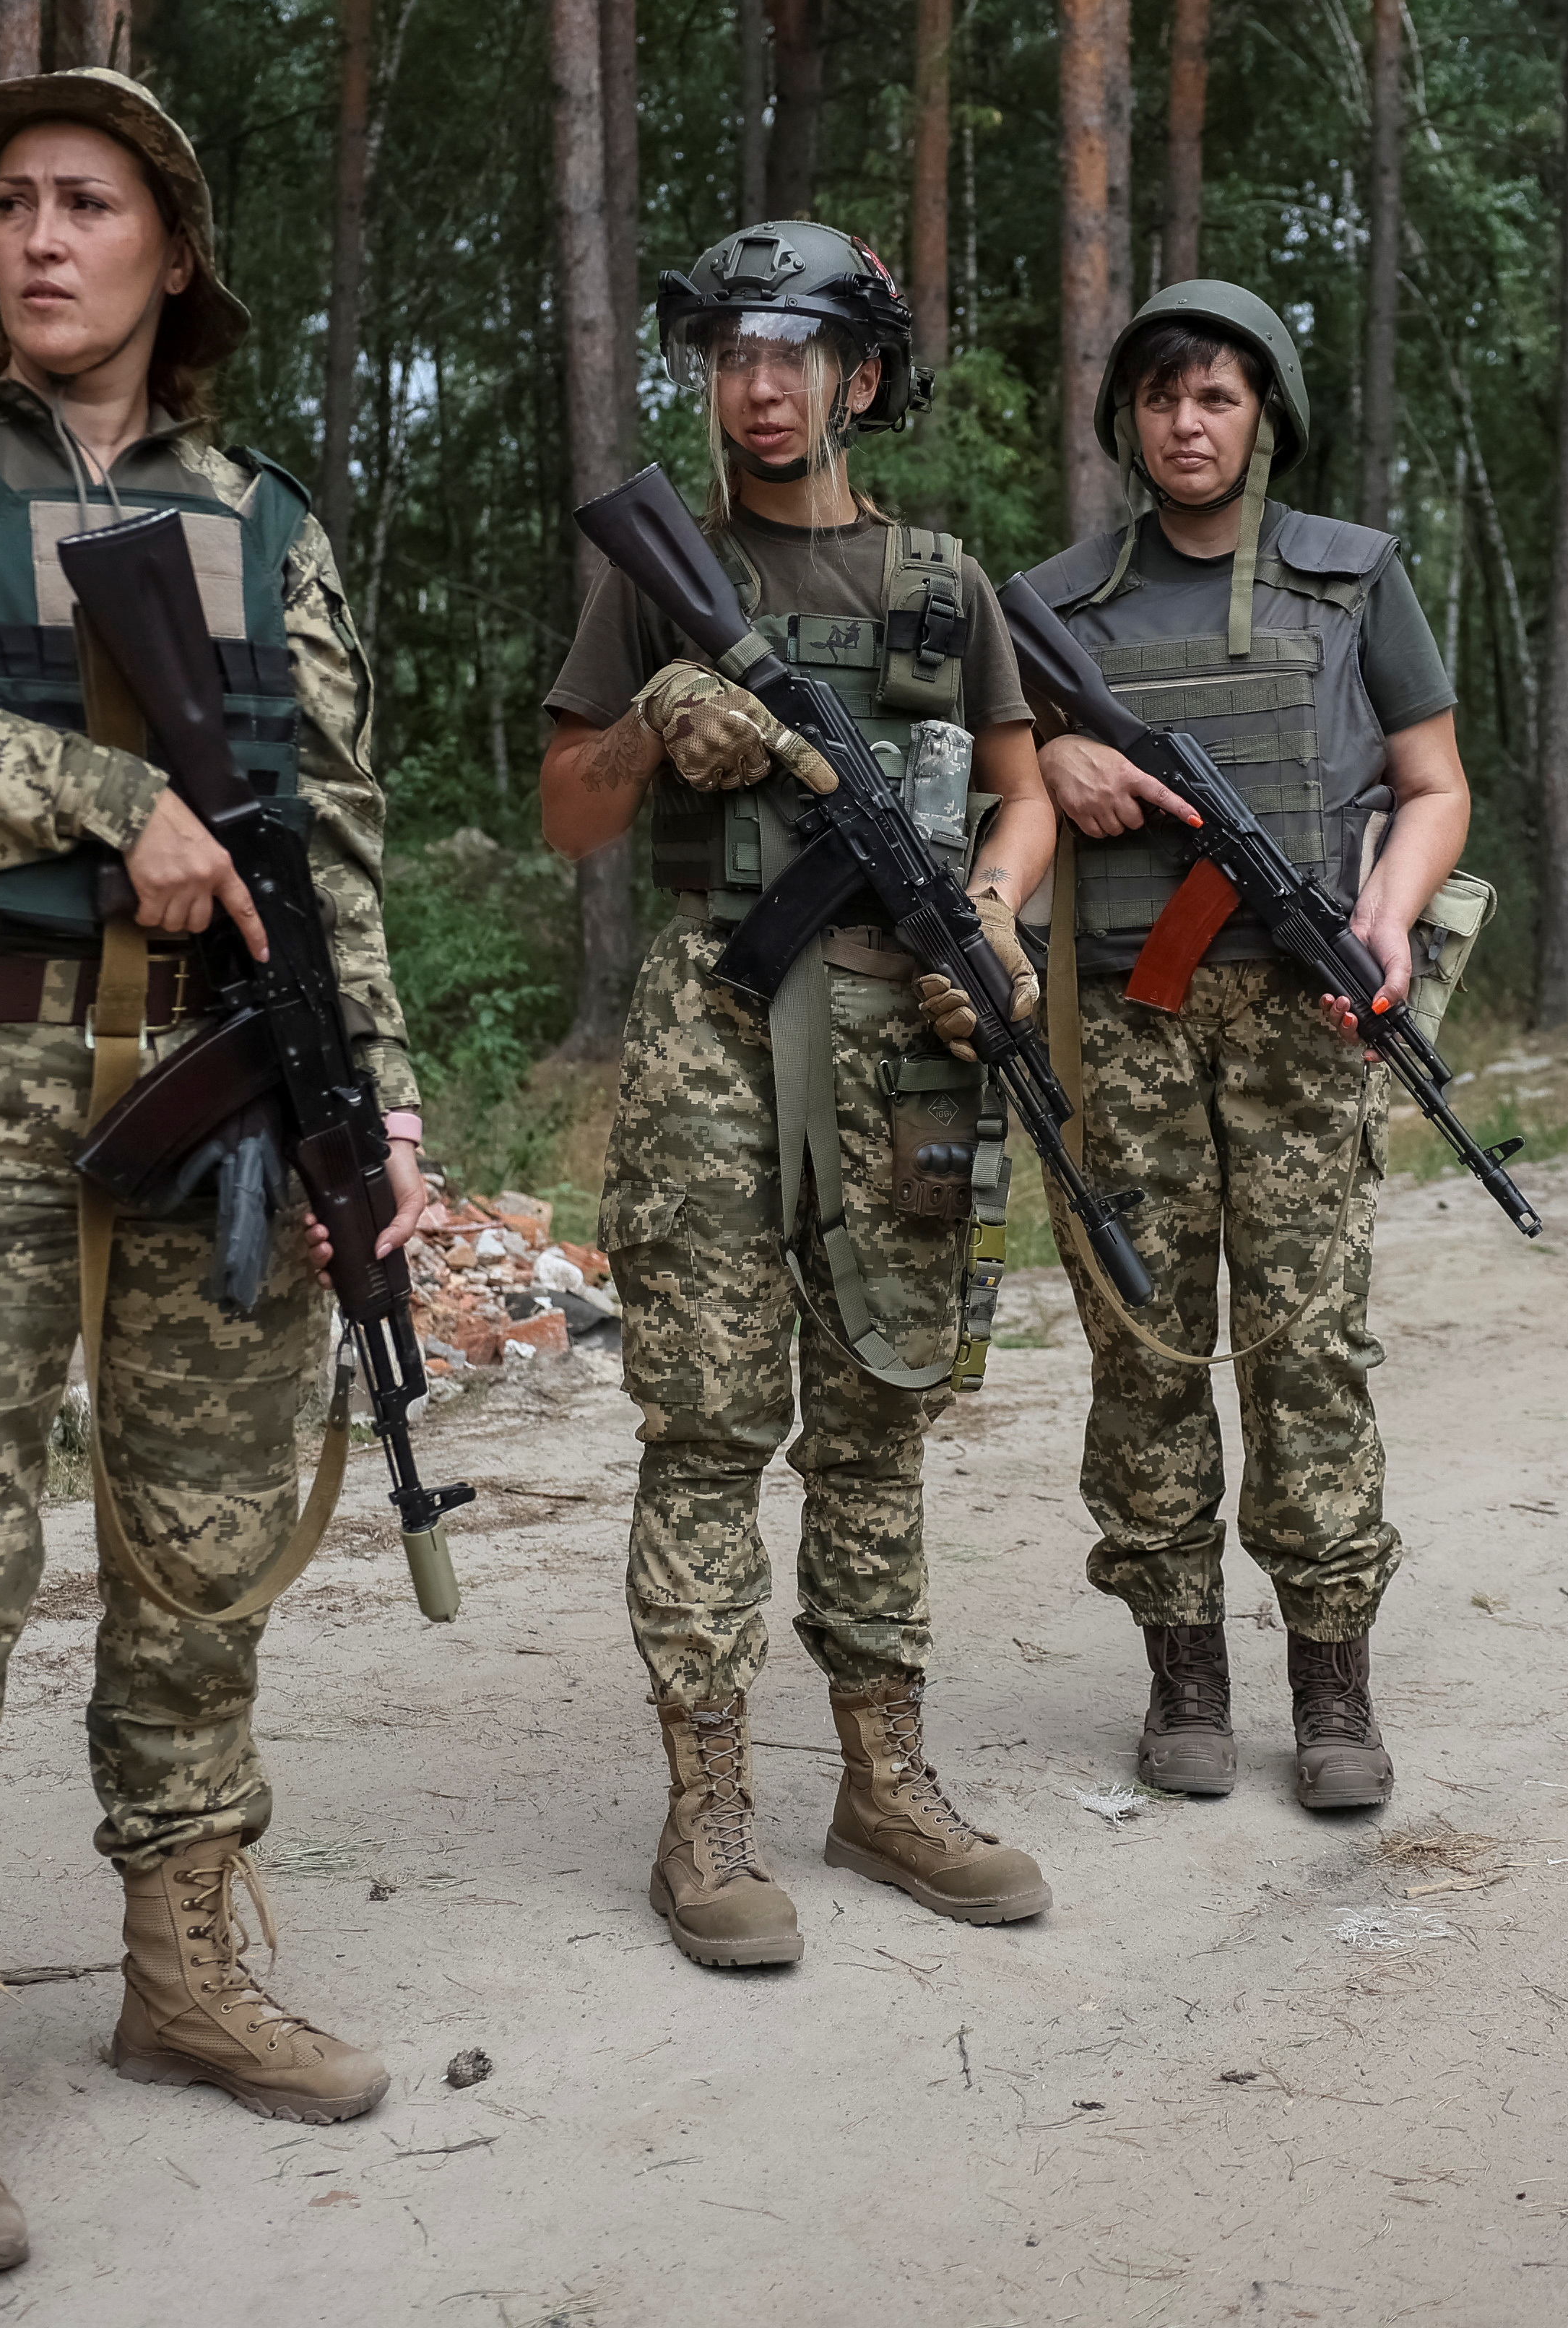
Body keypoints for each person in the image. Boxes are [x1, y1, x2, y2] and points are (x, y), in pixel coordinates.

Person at [0, 66, 430, 2283]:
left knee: (207, 1544)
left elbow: (331, 840)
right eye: (13, 207)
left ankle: (180, 1965)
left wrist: (382, 1109)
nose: (42, 241)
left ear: (172, 251)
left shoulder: (271, 522)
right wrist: (84, 794)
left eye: (90, 207)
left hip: (225, 1095)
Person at [536, 220, 1059, 1970]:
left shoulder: (939, 580)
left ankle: (884, 1778)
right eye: (731, 353)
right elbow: (567, 811)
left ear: (861, 375)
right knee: (705, 1418)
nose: (758, 384)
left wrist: (993, 914)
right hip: (713, 1024)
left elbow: (1024, 791)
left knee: (882, 1407)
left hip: (903, 1028)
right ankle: (705, 1812)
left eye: (794, 350)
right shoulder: (653, 568)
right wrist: (647, 723)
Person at [1015, 282, 1471, 1812]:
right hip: (1122, 1017)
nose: (1187, 424)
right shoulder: (1054, 607)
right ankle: (1183, 1666)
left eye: (1216, 397)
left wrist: (1390, 917)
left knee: (1310, 1345)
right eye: (1160, 399)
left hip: (1298, 1010)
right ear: (1124, 421)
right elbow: (983, 789)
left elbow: (1434, 782)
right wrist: (1055, 750)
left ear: (1264, 411)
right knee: (1144, 1343)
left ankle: (1331, 1677)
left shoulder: (1350, 583)